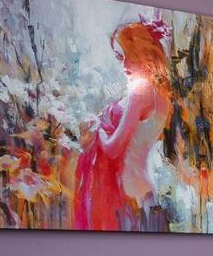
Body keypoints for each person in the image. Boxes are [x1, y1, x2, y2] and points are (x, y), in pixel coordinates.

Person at [73, 17, 174, 231]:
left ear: (144, 55)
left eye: (130, 57)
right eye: (121, 57)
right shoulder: (162, 96)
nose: (124, 65)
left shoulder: (141, 91)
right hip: (145, 194)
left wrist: (97, 129)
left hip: (129, 200)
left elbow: (112, 148)